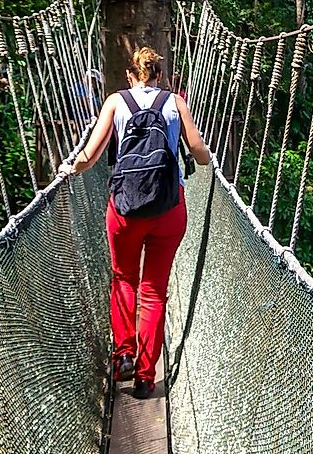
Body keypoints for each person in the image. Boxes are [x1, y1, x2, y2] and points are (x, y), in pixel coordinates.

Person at [62, 47, 210, 398]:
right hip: (168, 208)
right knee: (154, 291)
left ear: (130, 75)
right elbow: (201, 156)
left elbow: (91, 155)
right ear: (160, 75)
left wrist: (70, 168)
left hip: (125, 210)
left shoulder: (116, 102)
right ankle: (146, 377)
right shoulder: (176, 102)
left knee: (124, 278)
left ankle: (123, 355)